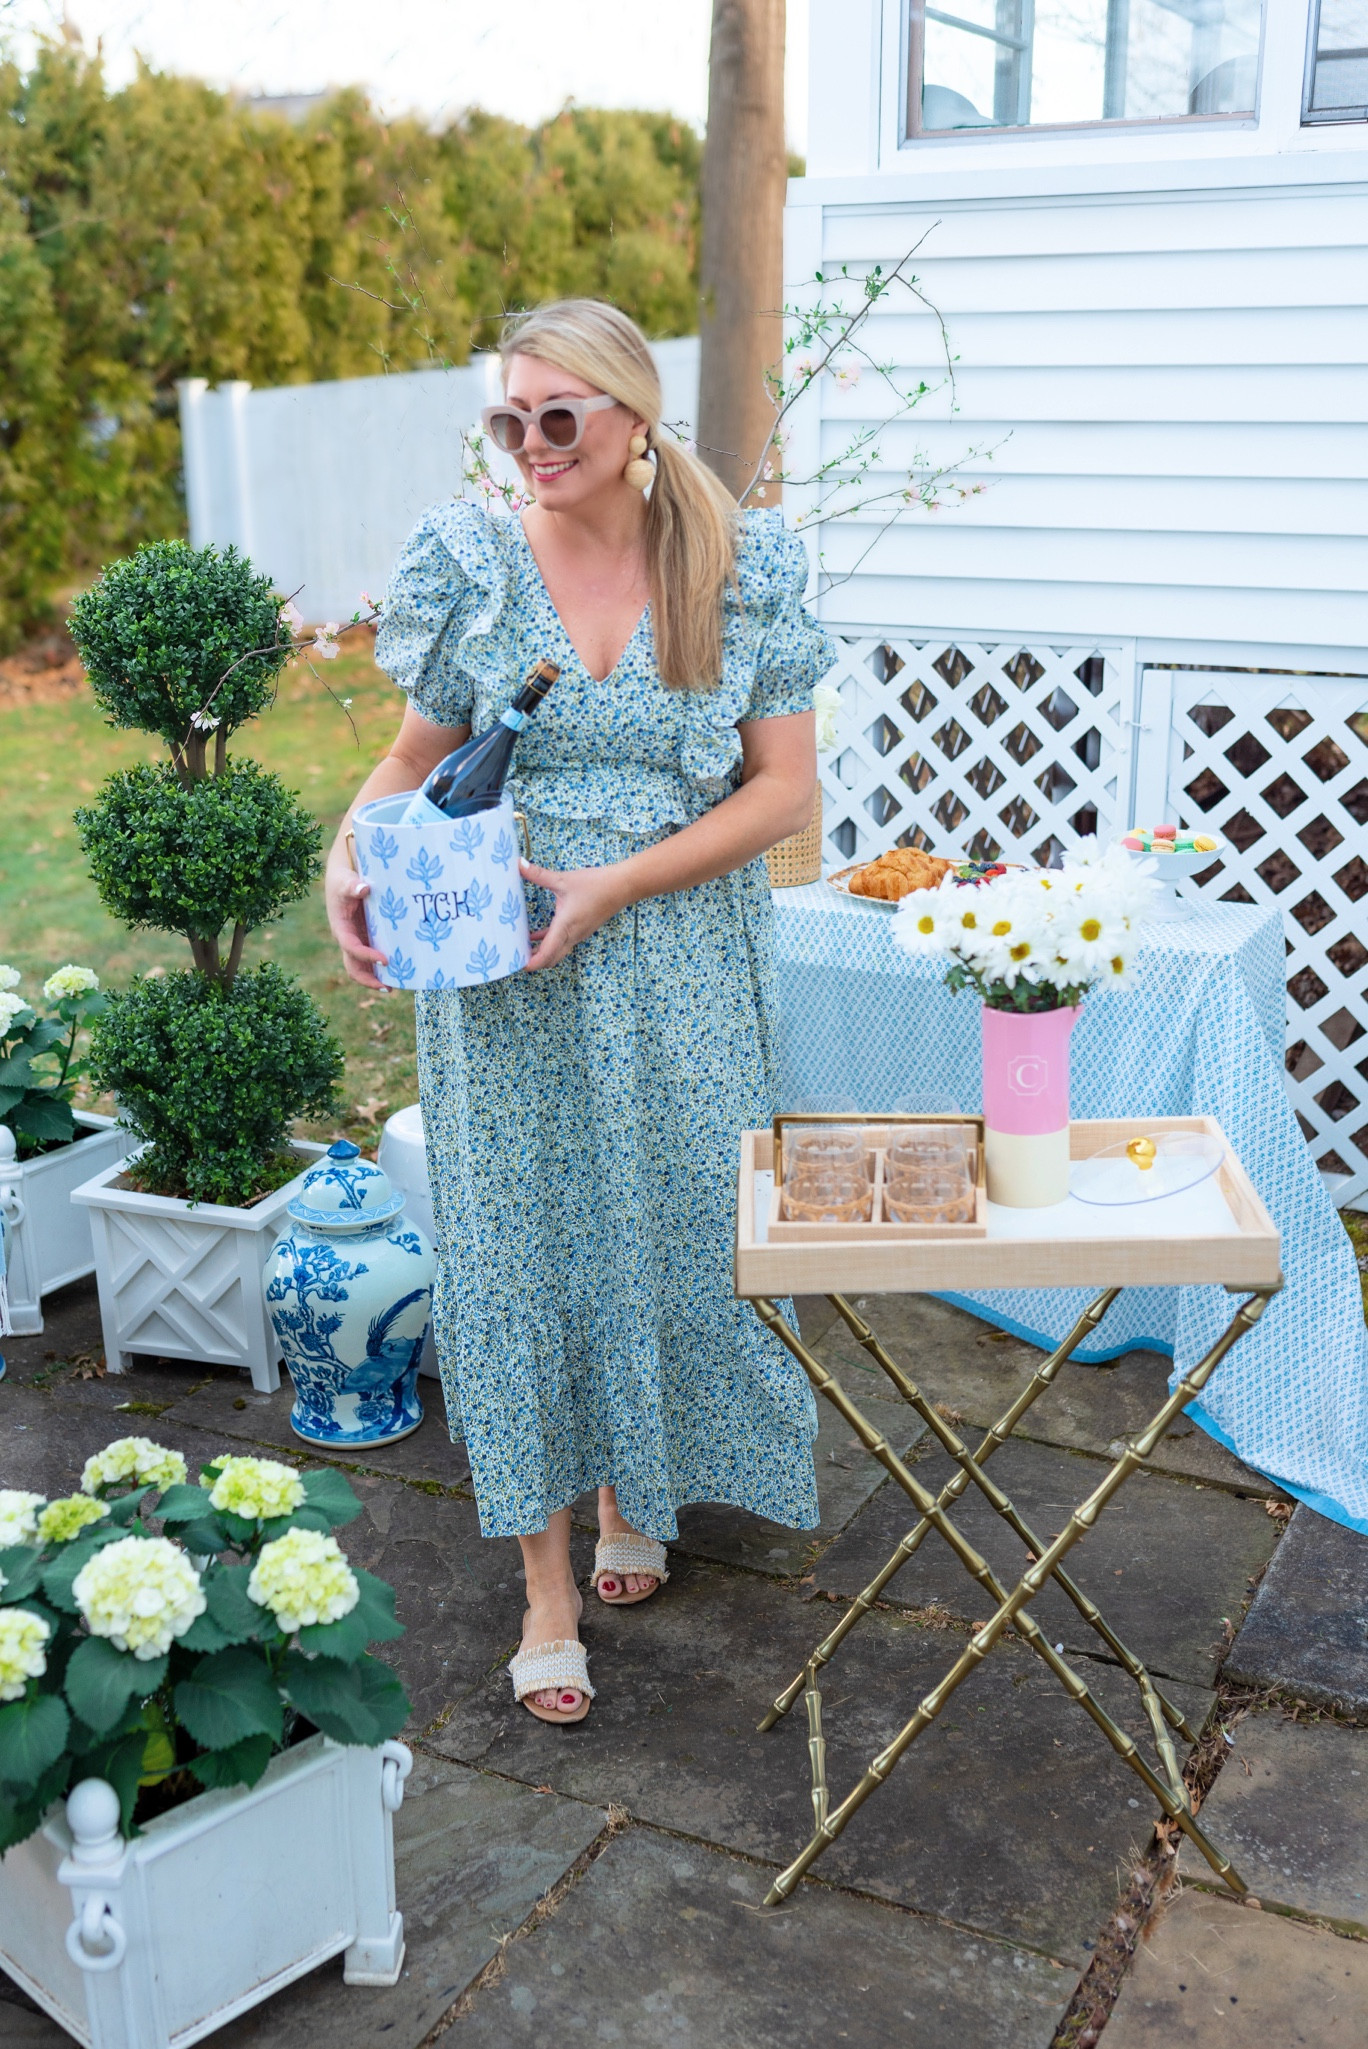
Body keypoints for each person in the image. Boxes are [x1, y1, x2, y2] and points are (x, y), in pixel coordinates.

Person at [326, 299, 834, 1723]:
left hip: (675, 953)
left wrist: (613, 885)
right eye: (510, 419)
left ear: (632, 420)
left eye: (560, 417)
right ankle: (544, 1582)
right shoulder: (475, 565)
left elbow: (784, 792)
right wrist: (339, 860)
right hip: (502, 968)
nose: (532, 445)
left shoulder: (737, 565)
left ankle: (638, 1480)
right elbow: (402, 769)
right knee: (517, 1244)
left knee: (670, 1218)